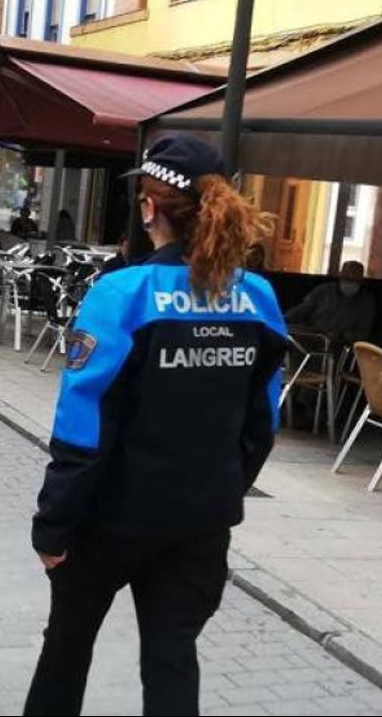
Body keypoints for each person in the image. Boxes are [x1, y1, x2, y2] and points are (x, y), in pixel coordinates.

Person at [25, 134, 287, 717]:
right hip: (198, 524)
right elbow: (263, 421)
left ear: (149, 208)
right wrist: (222, 488)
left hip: (108, 522)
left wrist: (53, 524)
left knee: (65, 653)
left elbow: (84, 424)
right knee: (172, 659)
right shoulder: (257, 298)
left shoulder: (122, 292)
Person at [284, 260, 376, 344]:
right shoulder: (323, 291)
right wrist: (284, 318)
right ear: (340, 275)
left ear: (362, 280)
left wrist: (341, 335)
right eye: (347, 278)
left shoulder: (366, 302)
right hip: (312, 335)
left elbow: (363, 334)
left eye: (354, 280)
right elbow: (303, 309)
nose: (350, 283)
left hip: (338, 345)